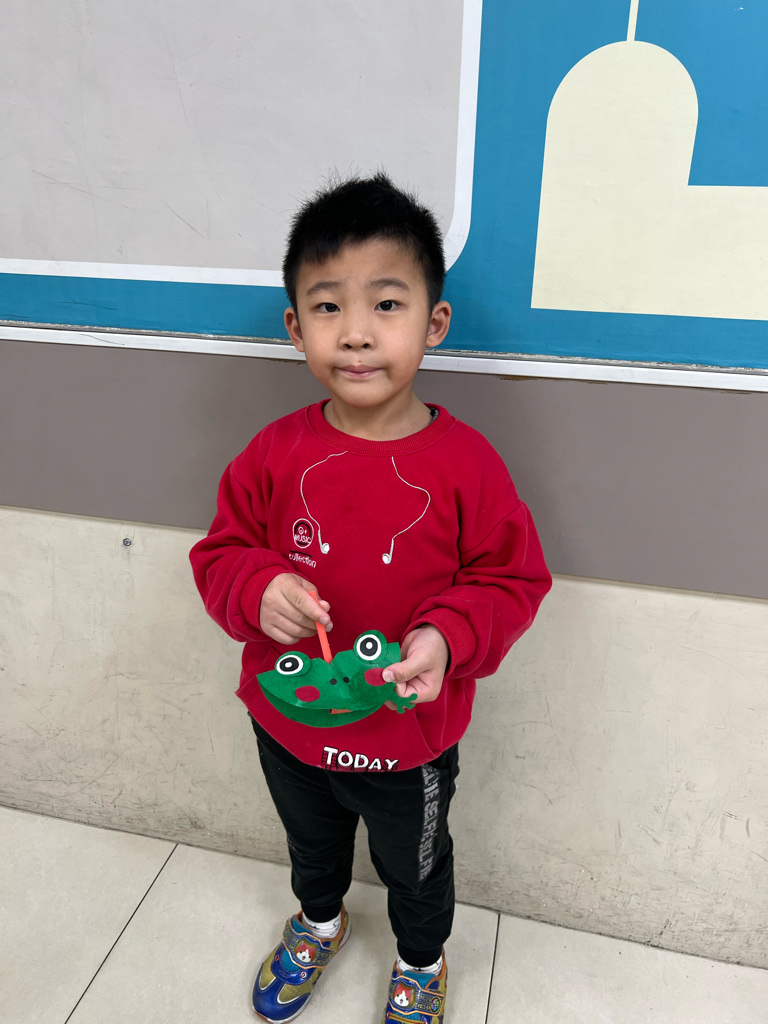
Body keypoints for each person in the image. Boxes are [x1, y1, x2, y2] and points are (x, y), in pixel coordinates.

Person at [189, 172, 551, 1023]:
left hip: (407, 742)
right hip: (288, 723)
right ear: (295, 326)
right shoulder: (273, 454)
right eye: (327, 307)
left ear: (434, 322)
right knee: (310, 846)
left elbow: (510, 580)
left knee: (416, 869)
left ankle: (420, 962)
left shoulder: (467, 467)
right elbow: (220, 554)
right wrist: (257, 586)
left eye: (386, 305)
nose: (355, 333)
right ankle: (319, 921)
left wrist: (447, 640)